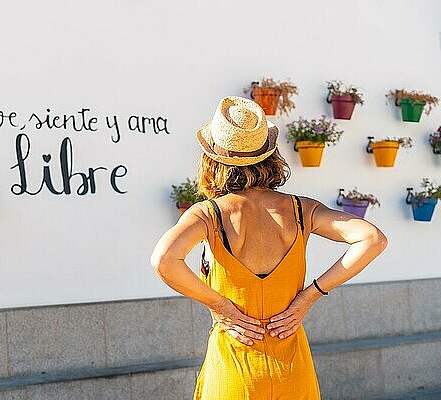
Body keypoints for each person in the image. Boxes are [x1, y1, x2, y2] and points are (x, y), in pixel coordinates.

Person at [150, 96, 388, 399]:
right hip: (292, 367)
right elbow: (372, 238)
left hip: (235, 366)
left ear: (212, 159)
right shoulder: (303, 210)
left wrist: (221, 306)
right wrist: (309, 296)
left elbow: (164, 261)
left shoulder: (208, 215)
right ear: (270, 155)